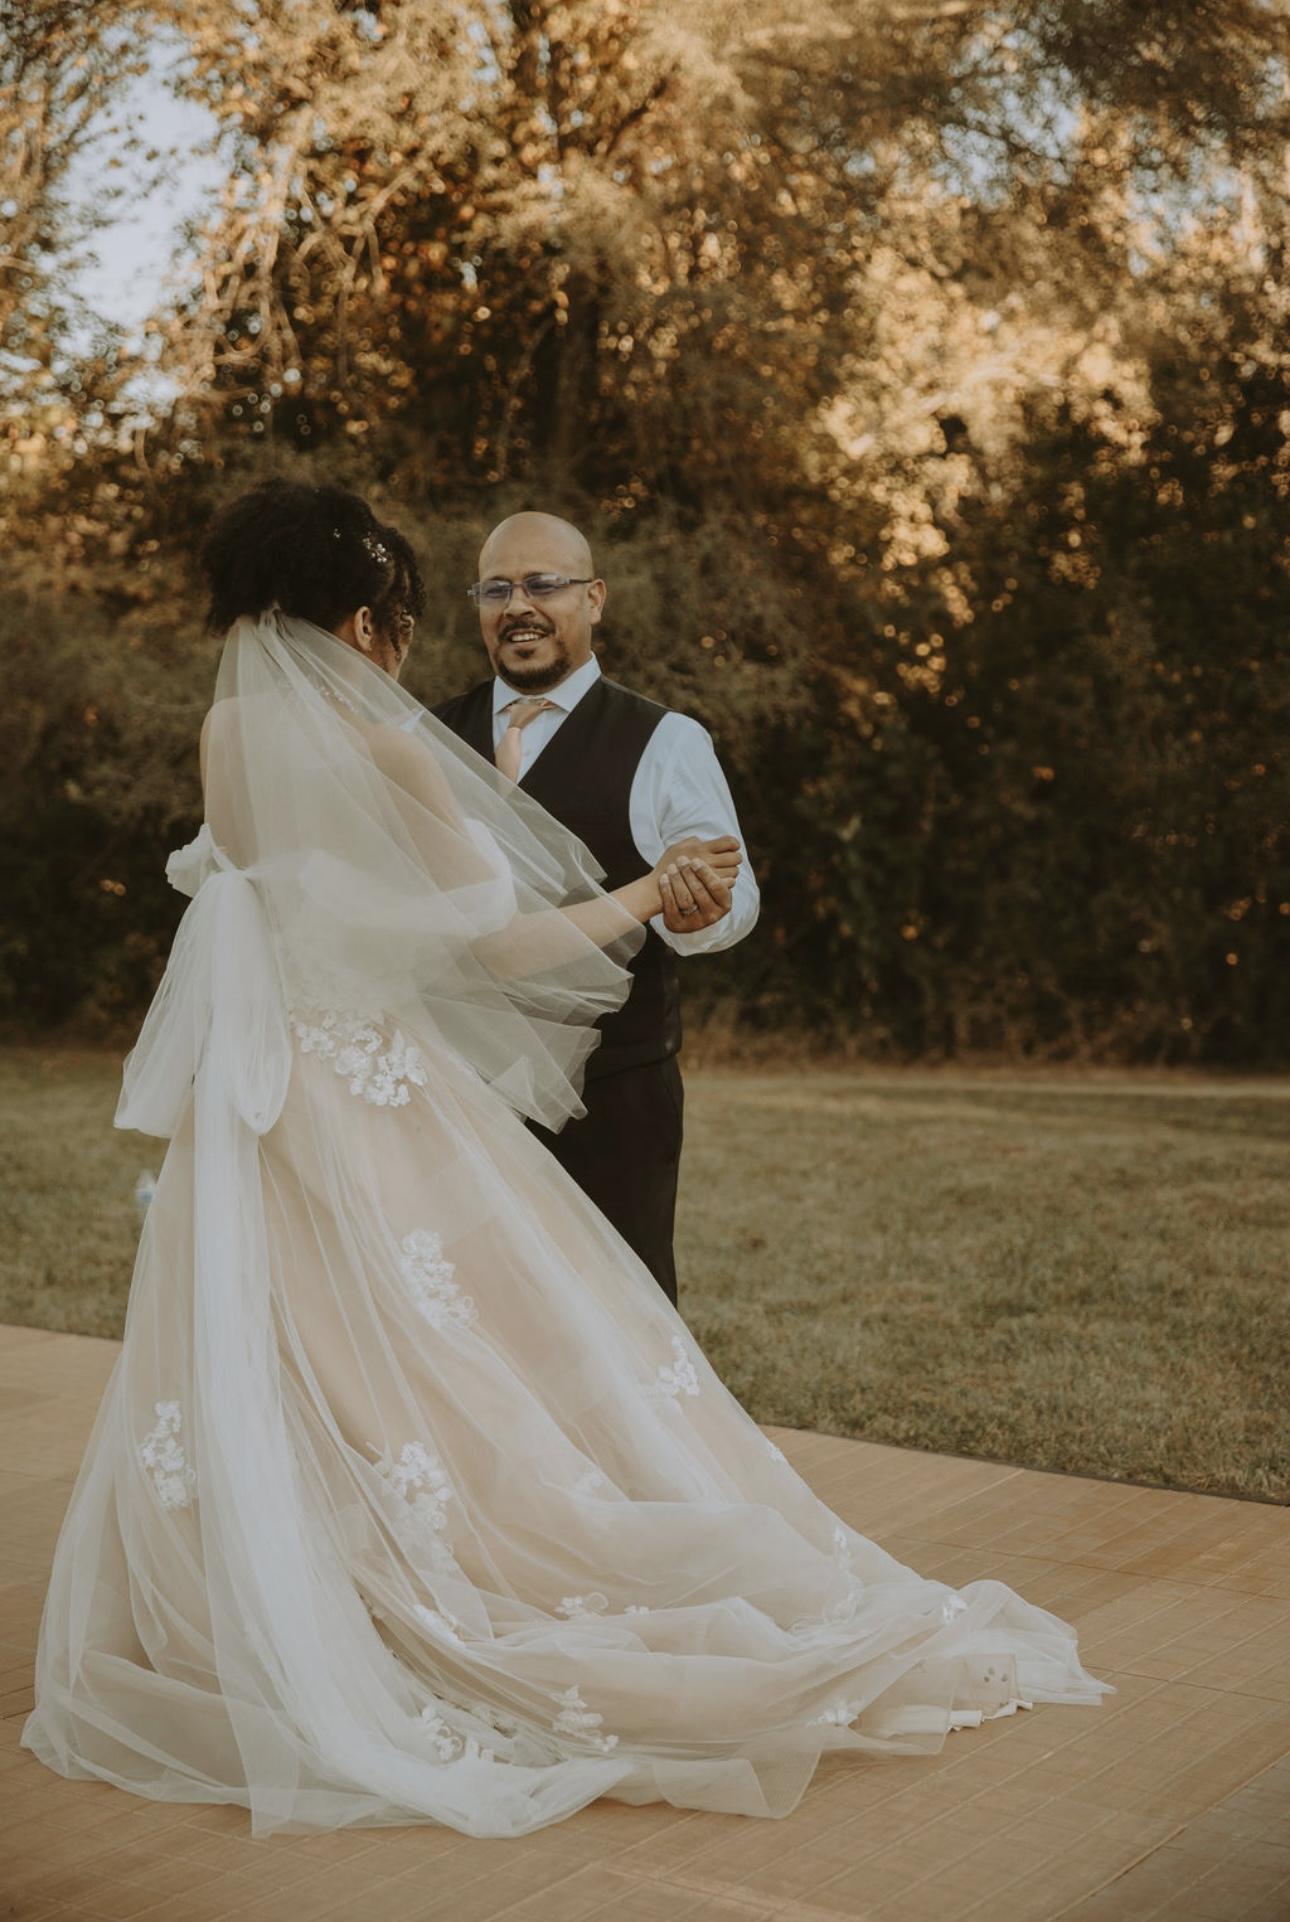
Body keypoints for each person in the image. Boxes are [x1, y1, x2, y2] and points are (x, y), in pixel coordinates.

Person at [21, 478, 1108, 1842]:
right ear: (364, 621)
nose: (429, 635)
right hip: (382, 1098)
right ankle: (466, 1584)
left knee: (308, 1358)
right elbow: (495, 946)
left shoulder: (228, 728)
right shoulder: (401, 745)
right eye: (421, 610)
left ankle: (296, 1597)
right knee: (478, 1358)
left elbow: (273, 907)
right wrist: (646, 890)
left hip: (269, 1111)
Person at [435, 511, 759, 1303]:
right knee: (468, 1316)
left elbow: (734, 895)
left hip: (611, 1098)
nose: (519, 606)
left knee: (621, 1318)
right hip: (455, 1095)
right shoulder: (426, 736)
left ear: (594, 598)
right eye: (496, 589)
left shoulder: (667, 741)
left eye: (543, 584)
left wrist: (696, 913)